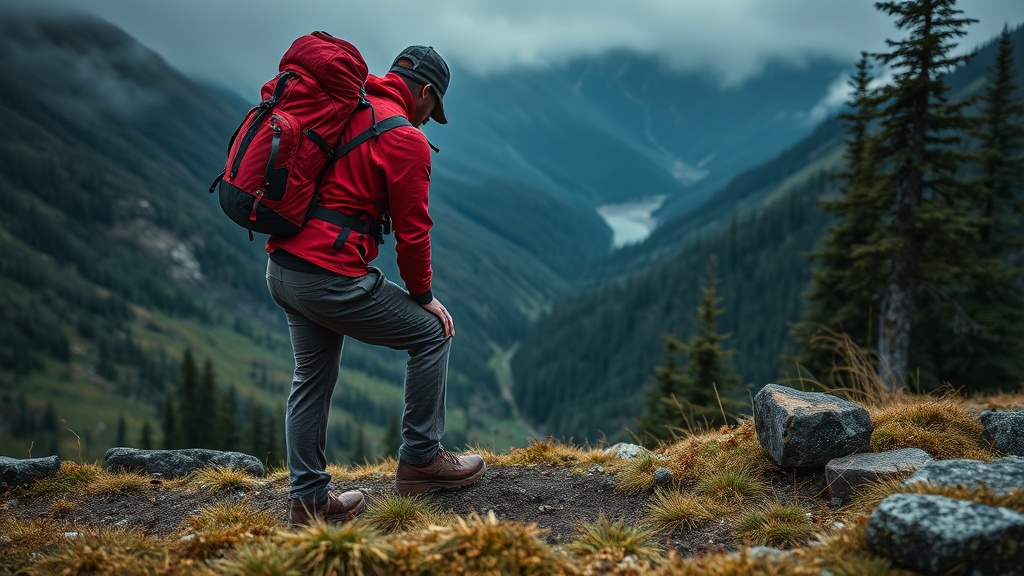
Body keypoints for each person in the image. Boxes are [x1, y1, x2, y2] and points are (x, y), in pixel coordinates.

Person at [264, 45, 485, 527]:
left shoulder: (348, 104)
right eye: (435, 108)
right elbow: (413, 231)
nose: (430, 119)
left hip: (284, 269)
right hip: (327, 276)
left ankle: (309, 503)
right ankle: (421, 460)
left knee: (311, 379)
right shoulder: (405, 138)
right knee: (431, 334)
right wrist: (424, 297)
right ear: (425, 92)